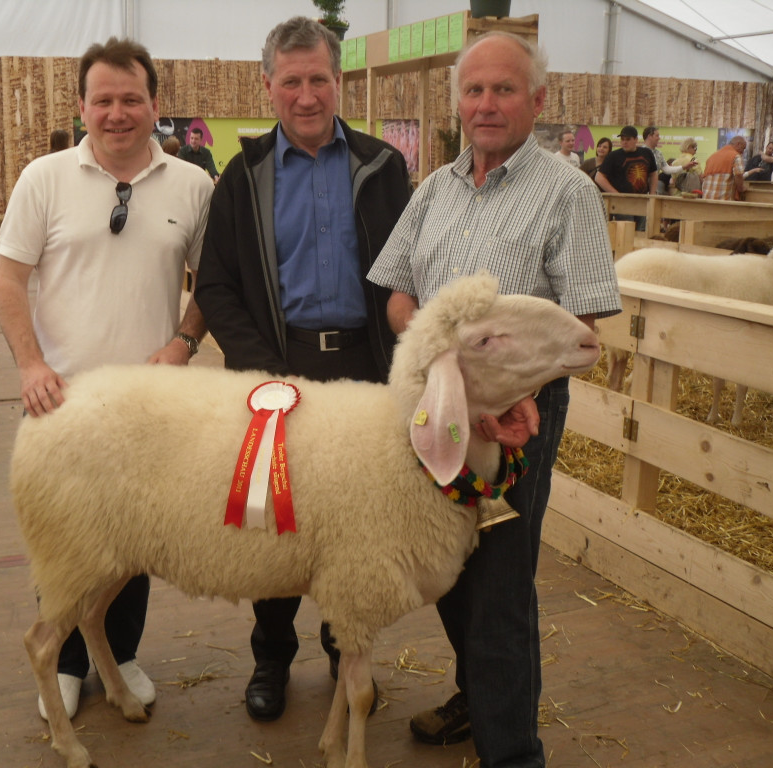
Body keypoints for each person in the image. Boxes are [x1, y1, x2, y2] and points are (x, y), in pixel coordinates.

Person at [367, 32, 621, 767]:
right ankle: (478, 698)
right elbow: (397, 291)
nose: (485, 104)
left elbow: (583, 320)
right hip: (440, 405)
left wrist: (516, 390)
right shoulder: (433, 190)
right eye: (473, 90)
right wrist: (434, 354)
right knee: (449, 567)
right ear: (458, 102)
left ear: (536, 100)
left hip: (517, 415)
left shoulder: (567, 192)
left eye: (503, 89)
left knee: (501, 582)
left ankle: (512, 753)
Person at [194, 15, 412, 723]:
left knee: (357, 523)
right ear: (268, 87)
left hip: (366, 368)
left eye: (319, 78)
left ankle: (347, 656)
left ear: (338, 81)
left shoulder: (382, 167)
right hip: (278, 371)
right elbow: (216, 285)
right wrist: (262, 370)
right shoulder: (244, 175)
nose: (307, 95)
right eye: (291, 81)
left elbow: (411, 271)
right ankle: (270, 658)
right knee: (276, 520)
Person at [0, 37, 213, 721]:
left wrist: (183, 341)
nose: (117, 113)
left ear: (155, 103)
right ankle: (64, 662)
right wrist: (31, 364)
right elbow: (8, 282)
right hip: (63, 403)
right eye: (104, 100)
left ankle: (121, 653)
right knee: (66, 537)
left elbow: (211, 285)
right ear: (83, 106)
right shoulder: (44, 178)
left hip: (149, 406)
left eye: (131, 99)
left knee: (138, 535)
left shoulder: (193, 186)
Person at [596, 125, 657, 231]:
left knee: (642, 231)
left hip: (642, 201)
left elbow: (653, 173)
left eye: (628, 139)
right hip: (623, 203)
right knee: (625, 232)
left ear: (636, 140)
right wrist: (616, 194)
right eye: (622, 139)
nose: (624, 142)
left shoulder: (647, 153)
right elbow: (599, 177)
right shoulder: (614, 156)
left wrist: (652, 194)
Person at [641, 125, 696, 194]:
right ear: (649, 136)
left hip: (652, 190)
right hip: (640, 190)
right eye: (657, 136)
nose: (659, 138)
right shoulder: (640, 152)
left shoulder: (658, 153)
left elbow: (667, 169)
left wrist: (684, 167)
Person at [701, 135, 747, 201]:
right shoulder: (735, 156)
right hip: (723, 201)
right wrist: (741, 188)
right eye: (743, 148)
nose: (743, 152)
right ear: (738, 144)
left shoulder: (712, 156)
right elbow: (739, 175)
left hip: (706, 199)